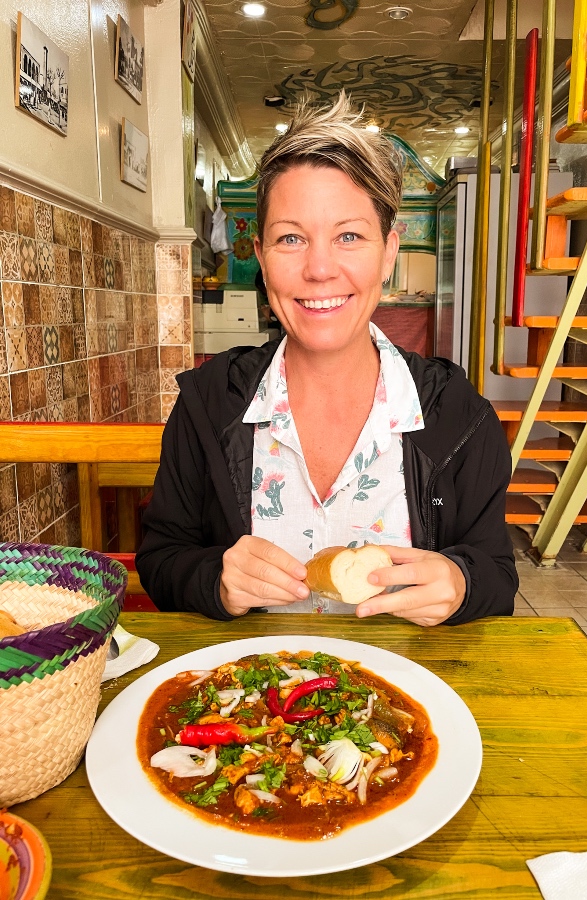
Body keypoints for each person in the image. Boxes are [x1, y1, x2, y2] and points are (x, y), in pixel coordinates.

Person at [137, 94, 518, 625]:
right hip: (248, 699)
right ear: (263, 257)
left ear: (388, 252)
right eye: (290, 238)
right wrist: (215, 580)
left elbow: (497, 573)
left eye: (349, 236)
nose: (319, 269)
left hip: (409, 697)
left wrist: (461, 583)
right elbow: (162, 559)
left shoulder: (459, 413)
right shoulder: (207, 402)